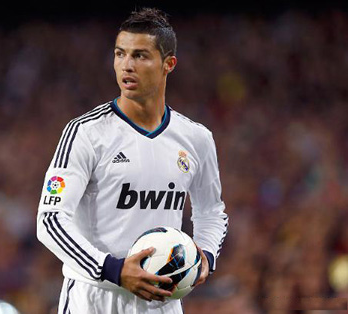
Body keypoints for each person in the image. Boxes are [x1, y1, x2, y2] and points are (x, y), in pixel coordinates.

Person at [37, 7, 228, 314]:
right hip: (95, 298)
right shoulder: (85, 133)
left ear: (169, 64)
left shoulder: (196, 139)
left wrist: (205, 253)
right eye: (120, 53)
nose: (126, 65)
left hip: (162, 303)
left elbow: (212, 211)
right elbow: (50, 220)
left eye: (140, 55)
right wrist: (112, 269)